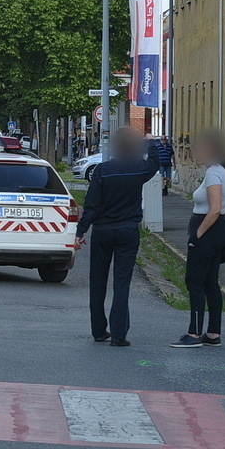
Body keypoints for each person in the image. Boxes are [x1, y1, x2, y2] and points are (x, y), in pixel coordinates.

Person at [76, 127, 160, 347]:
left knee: (98, 281)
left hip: (103, 231)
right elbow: (154, 164)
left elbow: (92, 205)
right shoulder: (139, 169)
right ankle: (119, 334)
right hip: (128, 231)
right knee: (122, 284)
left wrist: (81, 231)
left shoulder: (103, 171)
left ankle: (98, 330)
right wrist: (151, 143)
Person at [171, 130, 225, 349]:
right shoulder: (220, 172)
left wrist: (199, 233)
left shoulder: (213, 175)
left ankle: (194, 333)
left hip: (208, 232)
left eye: (200, 148)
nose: (196, 152)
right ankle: (213, 332)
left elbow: (216, 208)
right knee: (209, 282)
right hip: (216, 232)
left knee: (194, 281)